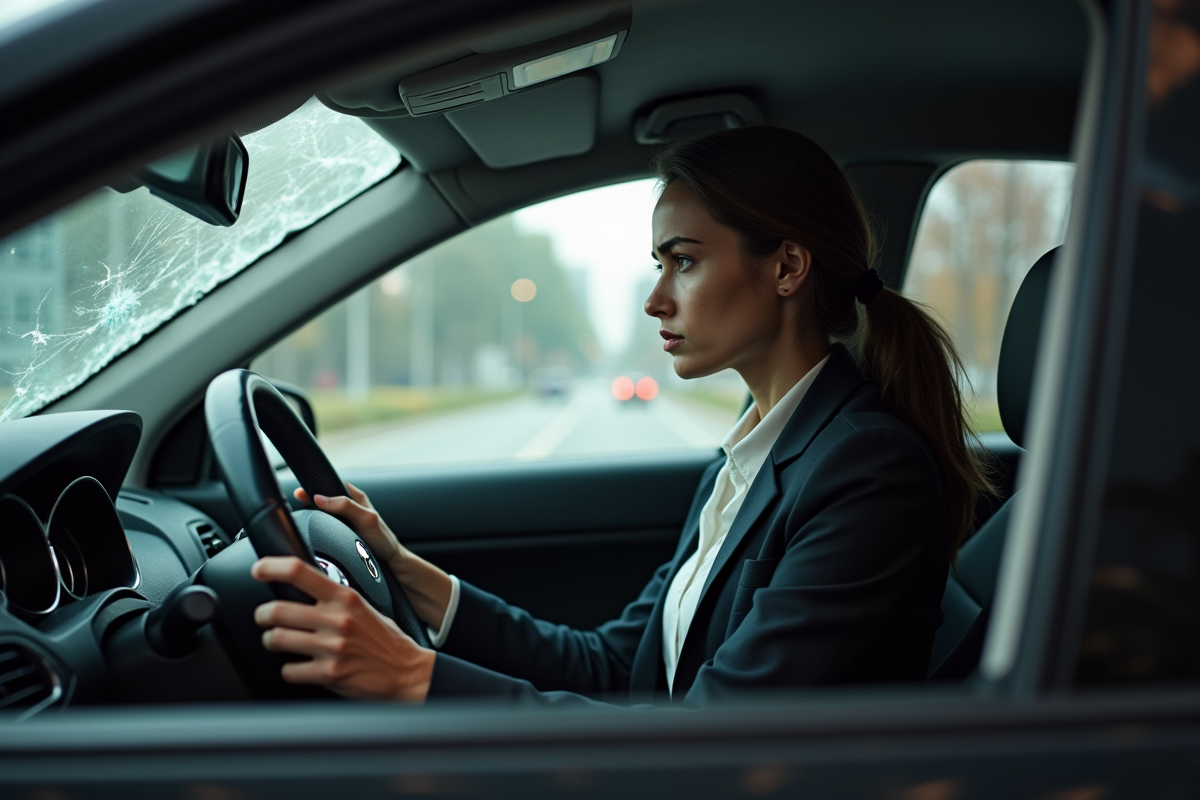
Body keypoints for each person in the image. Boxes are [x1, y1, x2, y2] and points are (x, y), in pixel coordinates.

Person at [250, 126, 993, 705]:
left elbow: (723, 741)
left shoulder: (867, 468)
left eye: (684, 261)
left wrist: (414, 676)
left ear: (787, 267)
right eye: (658, 265)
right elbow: (616, 664)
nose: (655, 299)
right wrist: (412, 577)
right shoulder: (748, 460)